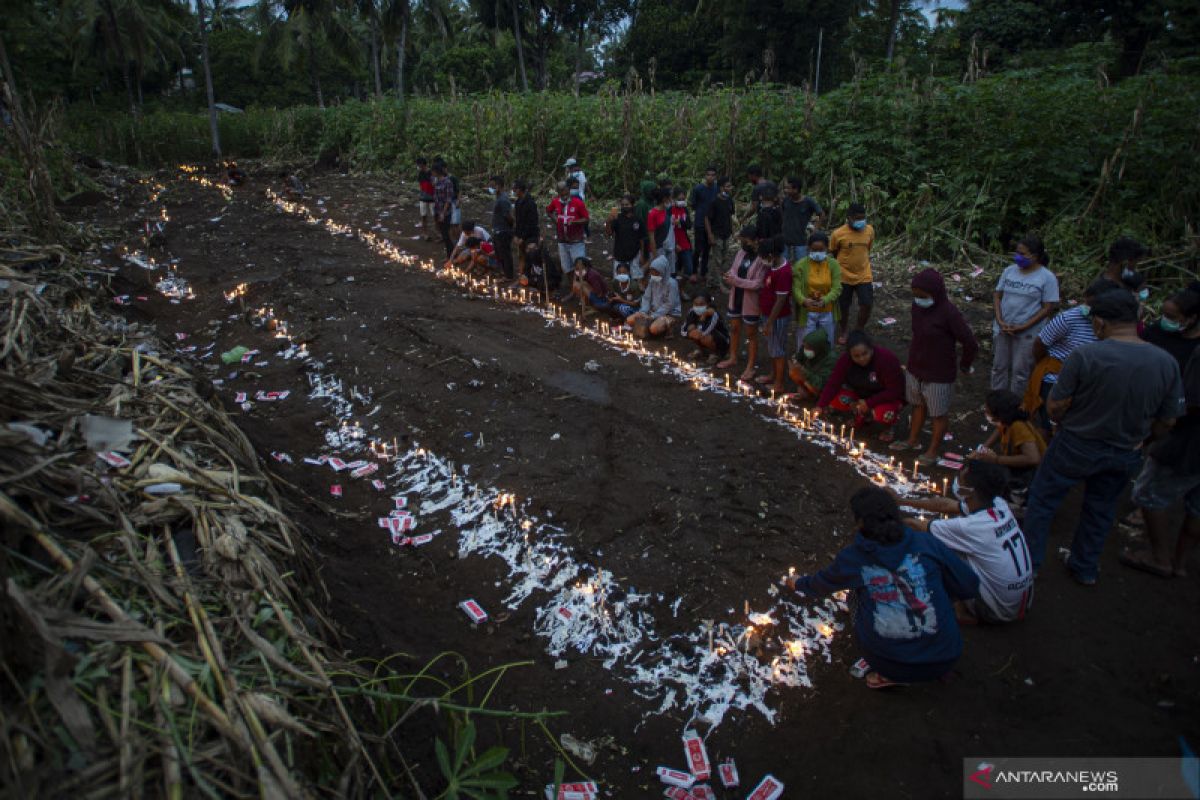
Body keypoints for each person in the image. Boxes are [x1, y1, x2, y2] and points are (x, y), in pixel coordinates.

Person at [1022, 290, 1184, 585]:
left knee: (1043, 501)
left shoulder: (1086, 355)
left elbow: (1055, 406)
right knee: (1100, 508)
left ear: (1099, 323)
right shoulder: (1165, 362)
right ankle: (1084, 567)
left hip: (1076, 442)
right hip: (1125, 450)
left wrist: (1062, 421)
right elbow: (1168, 420)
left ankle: (1029, 565)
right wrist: (1144, 440)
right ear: (1137, 320)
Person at [786, 487, 980, 689]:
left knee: (854, 594)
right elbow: (968, 584)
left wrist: (798, 583)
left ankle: (891, 676)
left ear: (860, 522)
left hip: (891, 662)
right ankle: (928, 648)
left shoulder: (856, 558)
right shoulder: (926, 543)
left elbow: (822, 584)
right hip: (946, 654)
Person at [899, 461, 1034, 624]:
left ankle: (961, 610)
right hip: (1022, 602)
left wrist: (886, 515)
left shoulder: (969, 527)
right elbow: (945, 504)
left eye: (961, 481)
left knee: (935, 545)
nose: (958, 483)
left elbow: (918, 526)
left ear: (970, 491)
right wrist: (902, 501)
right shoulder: (999, 505)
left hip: (997, 611)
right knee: (952, 540)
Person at [1124, 346, 1200, 578]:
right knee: (1197, 508)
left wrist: (1160, 422)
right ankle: (1180, 563)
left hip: (1189, 443)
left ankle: (1159, 557)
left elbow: (1189, 402)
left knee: (1149, 495)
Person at [893, 268, 978, 465]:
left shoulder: (949, 313)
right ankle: (912, 440)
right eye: (915, 295)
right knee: (918, 405)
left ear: (936, 293)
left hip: (939, 372)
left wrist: (965, 365)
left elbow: (969, 342)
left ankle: (932, 449)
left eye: (923, 296)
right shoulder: (917, 307)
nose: (918, 299)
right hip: (916, 366)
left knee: (937, 412)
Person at [1024, 278, 1118, 434]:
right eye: (1086, 303)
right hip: (1055, 379)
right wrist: (1048, 366)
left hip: (1088, 385)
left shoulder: (1114, 327)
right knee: (1050, 425)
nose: (1087, 308)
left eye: (1092, 305)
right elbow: (1040, 343)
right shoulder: (1068, 318)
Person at [991, 235, 1060, 394]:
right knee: (998, 367)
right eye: (1017, 253)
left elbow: (1048, 307)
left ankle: (1016, 406)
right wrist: (1000, 320)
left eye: (1022, 254)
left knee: (1020, 372)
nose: (1018, 257)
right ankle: (996, 403)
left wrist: (1024, 326)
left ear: (1035, 256)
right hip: (1004, 327)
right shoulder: (1009, 271)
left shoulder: (1047, 277)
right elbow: (997, 295)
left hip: (1027, 333)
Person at [814, 331, 906, 437]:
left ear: (871, 348)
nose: (862, 359)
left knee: (884, 414)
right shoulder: (845, 360)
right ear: (850, 355)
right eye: (856, 356)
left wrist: (869, 403)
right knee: (836, 401)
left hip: (886, 398)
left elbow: (895, 391)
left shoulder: (886, 359)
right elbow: (833, 383)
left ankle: (887, 426)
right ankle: (861, 416)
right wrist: (820, 406)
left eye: (865, 353)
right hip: (861, 395)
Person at [971, 390, 1046, 495]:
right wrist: (982, 448)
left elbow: (1033, 458)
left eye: (988, 411)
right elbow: (999, 430)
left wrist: (996, 460)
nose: (986, 413)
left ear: (1000, 414)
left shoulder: (1018, 427)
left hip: (1033, 478)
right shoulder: (1007, 421)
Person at [718, 226, 766, 380]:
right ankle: (733, 357)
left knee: (751, 334)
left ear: (755, 240)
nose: (743, 244)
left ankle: (750, 366)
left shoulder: (762, 258)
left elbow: (758, 283)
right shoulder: (741, 253)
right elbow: (733, 269)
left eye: (745, 241)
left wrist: (736, 281)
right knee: (734, 328)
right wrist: (729, 275)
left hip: (751, 301)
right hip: (736, 297)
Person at [830, 203, 875, 345]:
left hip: (864, 273)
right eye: (857, 218)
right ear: (849, 218)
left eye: (863, 218)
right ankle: (844, 330)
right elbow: (834, 252)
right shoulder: (838, 234)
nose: (861, 221)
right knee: (843, 305)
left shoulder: (869, 230)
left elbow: (868, 248)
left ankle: (859, 330)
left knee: (867, 303)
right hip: (844, 275)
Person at [791, 231, 842, 348]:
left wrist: (825, 300)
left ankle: (824, 365)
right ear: (809, 249)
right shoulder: (800, 265)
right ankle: (804, 365)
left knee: (827, 342)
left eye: (821, 250)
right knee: (805, 343)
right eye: (814, 250)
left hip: (827, 310)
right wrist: (803, 300)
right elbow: (795, 288)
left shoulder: (834, 265)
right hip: (807, 311)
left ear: (827, 249)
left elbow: (837, 288)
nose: (817, 253)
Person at [756, 236, 793, 393]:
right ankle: (773, 374)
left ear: (771, 255)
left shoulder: (784, 272)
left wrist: (769, 323)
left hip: (777, 317)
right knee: (772, 347)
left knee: (778, 350)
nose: (762, 260)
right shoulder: (773, 267)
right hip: (768, 315)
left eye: (763, 257)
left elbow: (780, 300)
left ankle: (779, 383)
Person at [1142, 284, 1200, 370]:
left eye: (1171, 317)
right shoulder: (1154, 331)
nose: (1164, 319)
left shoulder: (1196, 348)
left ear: (1191, 318)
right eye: (1164, 314)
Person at [627, 255, 681, 338]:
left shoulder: (672, 284)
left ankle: (669, 325)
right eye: (652, 271)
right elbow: (646, 297)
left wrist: (653, 316)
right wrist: (643, 311)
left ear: (663, 271)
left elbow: (669, 305)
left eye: (656, 272)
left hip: (668, 313)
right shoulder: (652, 281)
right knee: (630, 320)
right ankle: (652, 325)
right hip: (651, 311)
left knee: (654, 329)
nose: (653, 274)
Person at [547, 181, 588, 289]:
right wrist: (556, 220)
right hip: (562, 242)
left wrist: (574, 222)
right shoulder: (555, 202)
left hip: (576, 242)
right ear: (558, 192)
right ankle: (573, 289)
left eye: (564, 189)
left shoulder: (578, 202)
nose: (563, 192)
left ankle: (583, 292)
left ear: (568, 189)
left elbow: (586, 219)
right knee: (567, 268)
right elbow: (549, 211)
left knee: (580, 267)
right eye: (560, 191)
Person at [780, 177, 823, 264]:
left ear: (795, 189)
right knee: (783, 264)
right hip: (785, 238)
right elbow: (782, 212)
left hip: (801, 240)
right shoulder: (786, 200)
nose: (785, 190)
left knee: (801, 265)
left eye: (788, 188)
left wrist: (815, 229)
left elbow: (821, 214)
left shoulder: (808, 201)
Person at [690, 166, 720, 285]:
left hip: (712, 224)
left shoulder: (717, 189)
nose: (710, 177)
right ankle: (693, 272)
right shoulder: (698, 189)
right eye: (708, 175)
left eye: (713, 175)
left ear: (715, 176)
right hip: (700, 223)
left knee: (707, 250)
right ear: (705, 176)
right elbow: (693, 204)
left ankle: (703, 273)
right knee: (698, 249)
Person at [788, 328, 835, 401]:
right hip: (809, 377)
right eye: (805, 346)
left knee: (809, 387)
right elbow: (797, 358)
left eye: (809, 348)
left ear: (818, 348)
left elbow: (822, 383)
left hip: (821, 386)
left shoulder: (831, 359)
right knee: (793, 372)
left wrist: (803, 371)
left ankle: (817, 397)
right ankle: (807, 391)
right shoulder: (806, 347)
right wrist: (794, 362)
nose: (805, 349)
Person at [606, 193, 647, 278]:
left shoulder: (638, 219)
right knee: (620, 280)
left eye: (627, 204)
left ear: (632, 205)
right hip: (620, 255)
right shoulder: (617, 218)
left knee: (635, 280)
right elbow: (609, 233)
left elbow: (641, 238)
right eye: (623, 205)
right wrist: (608, 222)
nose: (625, 206)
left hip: (634, 254)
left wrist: (642, 255)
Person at [705, 177, 735, 290]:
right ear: (721, 187)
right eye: (727, 186)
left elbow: (730, 217)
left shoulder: (730, 200)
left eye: (730, 186)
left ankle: (711, 280)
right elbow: (707, 218)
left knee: (724, 258)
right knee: (717, 259)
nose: (729, 188)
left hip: (726, 234)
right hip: (717, 234)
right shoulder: (714, 202)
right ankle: (718, 283)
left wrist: (732, 231)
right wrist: (710, 235)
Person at [682, 293, 730, 363]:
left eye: (701, 304)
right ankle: (702, 351)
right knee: (692, 331)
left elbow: (707, 330)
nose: (698, 307)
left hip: (721, 340)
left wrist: (703, 317)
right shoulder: (691, 312)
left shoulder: (714, 314)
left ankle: (717, 353)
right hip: (703, 334)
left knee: (702, 335)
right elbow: (683, 330)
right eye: (696, 304)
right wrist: (689, 332)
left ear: (708, 304)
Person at [513, 179, 540, 284]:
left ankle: (533, 279)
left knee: (532, 256)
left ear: (519, 190)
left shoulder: (530, 203)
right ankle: (521, 278)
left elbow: (531, 223)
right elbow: (518, 220)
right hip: (520, 234)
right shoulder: (517, 202)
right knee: (521, 256)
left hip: (530, 235)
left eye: (514, 189)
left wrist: (523, 238)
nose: (513, 191)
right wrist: (516, 235)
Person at [488, 175, 515, 281]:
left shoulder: (503, 199)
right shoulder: (499, 198)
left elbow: (508, 216)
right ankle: (505, 273)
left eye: (492, 186)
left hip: (503, 231)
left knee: (505, 254)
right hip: (499, 230)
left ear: (498, 186)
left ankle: (508, 275)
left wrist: (510, 228)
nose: (491, 188)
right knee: (500, 253)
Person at [646, 188, 676, 275]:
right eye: (670, 198)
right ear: (664, 199)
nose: (672, 200)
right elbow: (651, 236)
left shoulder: (666, 211)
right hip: (658, 249)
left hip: (668, 248)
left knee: (668, 274)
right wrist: (655, 255)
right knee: (658, 274)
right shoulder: (652, 214)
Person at [670, 187, 696, 284]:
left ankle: (680, 287)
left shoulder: (684, 209)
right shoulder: (670, 210)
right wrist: (675, 244)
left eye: (683, 199)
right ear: (674, 199)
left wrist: (680, 221)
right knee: (674, 270)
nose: (681, 201)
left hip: (684, 242)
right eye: (679, 199)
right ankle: (674, 289)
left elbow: (689, 225)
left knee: (689, 268)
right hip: (673, 243)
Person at [432, 162, 456, 257]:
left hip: (445, 212)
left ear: (437, 172)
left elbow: (448, 199)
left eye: (433, 172)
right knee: (443, 233)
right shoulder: (436, 181)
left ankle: (451, 255)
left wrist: (443, 213)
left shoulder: (447, 182)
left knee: (446, 235)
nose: (432, 174)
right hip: (437, 210)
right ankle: (451, 253)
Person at [416, 157, 435, 241]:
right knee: (423, 216)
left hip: (432, 198)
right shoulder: (420, 173)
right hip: (423, 198)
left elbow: (434, 184)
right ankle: (425, 233)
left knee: (435, 216)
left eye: (419, 165)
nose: (419, 167)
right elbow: (420, 185)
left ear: (423, 164)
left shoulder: (431, 173)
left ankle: (437, 233)